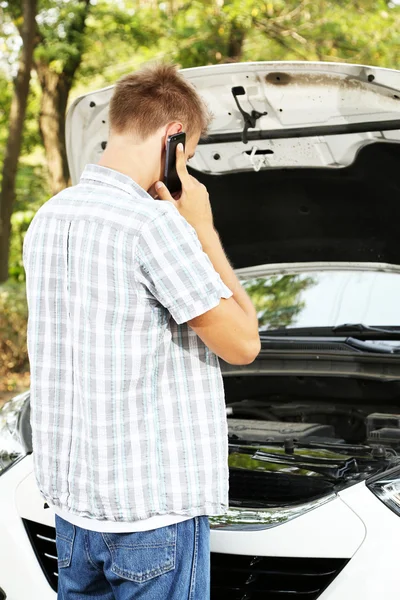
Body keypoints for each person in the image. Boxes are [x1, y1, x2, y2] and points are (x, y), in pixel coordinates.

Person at [22, 63, 260, 600]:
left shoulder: (49, 217)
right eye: (191, 155)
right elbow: (244, 343)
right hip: (151, 518)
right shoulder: (153, 225)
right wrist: (199, 224)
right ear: (173, 138)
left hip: (73, 512)